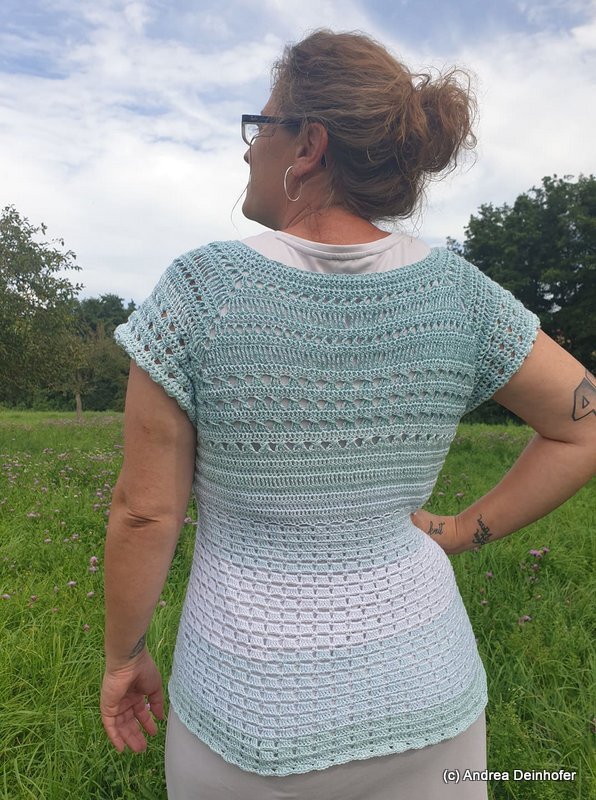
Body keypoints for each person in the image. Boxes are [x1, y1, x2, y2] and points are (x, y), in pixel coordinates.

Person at [100, 29, 596, 800]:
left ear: (309, 146)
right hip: (435, 704)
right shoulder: (460, 295)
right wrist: (459, 531)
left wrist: (124, 658)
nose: (248, 149)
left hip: (248, 715)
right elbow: (584, 424)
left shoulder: (200, 292)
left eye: (260, 126)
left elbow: (144, 513)